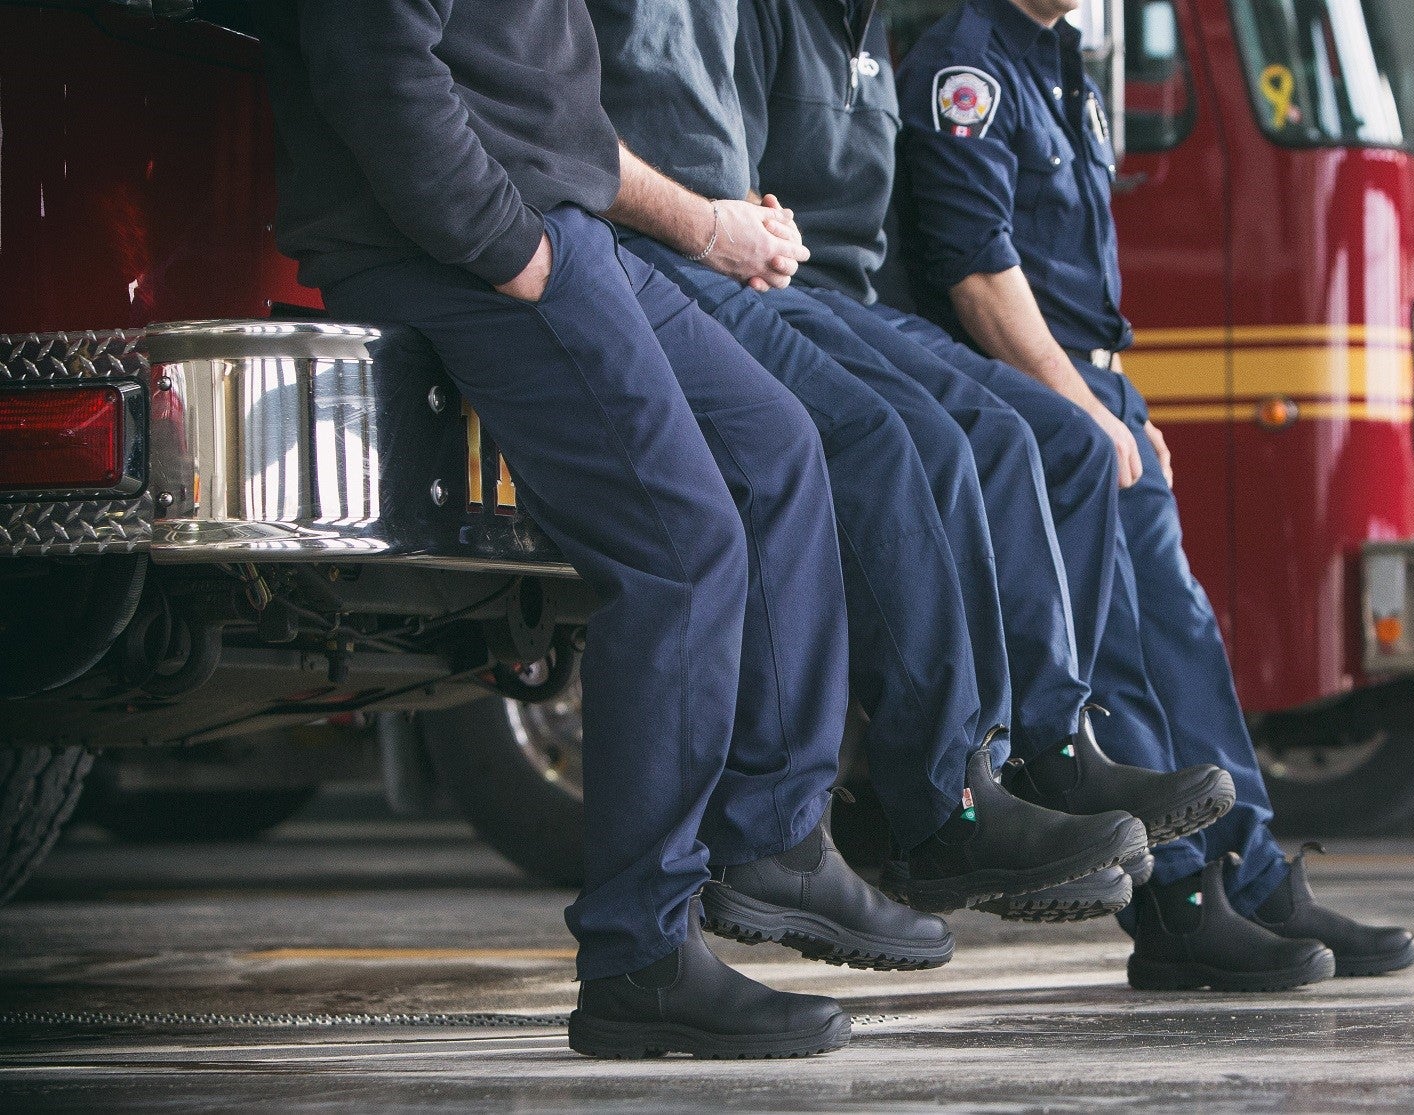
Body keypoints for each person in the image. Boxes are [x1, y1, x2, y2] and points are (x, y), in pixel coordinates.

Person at [255, 0, 1071, 1060]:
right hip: (475, 239)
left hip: (565, 220)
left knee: (781, 445)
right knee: (682, 551)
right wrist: (507, 245)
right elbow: (371, 55)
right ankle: (637, 958)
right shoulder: (492, 231)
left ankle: (775, 836)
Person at [587, 0, 1227, 923]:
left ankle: (1037, 749)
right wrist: (731, 223)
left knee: (1026, 443)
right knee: (891, 445)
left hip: (769, 271)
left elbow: (730, 161)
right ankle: (931, 804)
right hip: (690, 263)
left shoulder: (880, 40)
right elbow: (583, 136)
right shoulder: (898, 44)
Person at [889, 0, 1414, 991]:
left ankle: (1253, 876)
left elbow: (1081, 274)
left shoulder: (1063, 63)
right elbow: (973, 267)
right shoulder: (962, 65)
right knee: (1120, 659)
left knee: (1184, 645)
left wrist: (1127, 407)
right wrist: (1077, 408)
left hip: (1098, 389)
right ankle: (1175, 905)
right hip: (1039, 403)